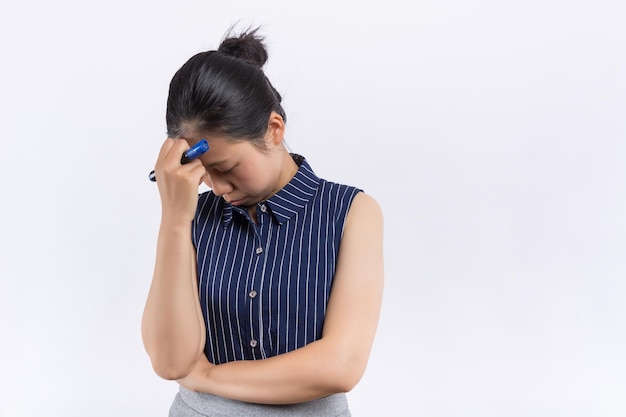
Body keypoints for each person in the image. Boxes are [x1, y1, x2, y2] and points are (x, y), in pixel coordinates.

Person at [141, 26, 384, 417]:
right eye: (203, 175)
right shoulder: (191, 216)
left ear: (273, 130)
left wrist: (204, 378)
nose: (217, 188)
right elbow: (171, 362)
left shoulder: (351, 212)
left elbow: (341, 366)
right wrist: (173, 218)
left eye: (226, 168)